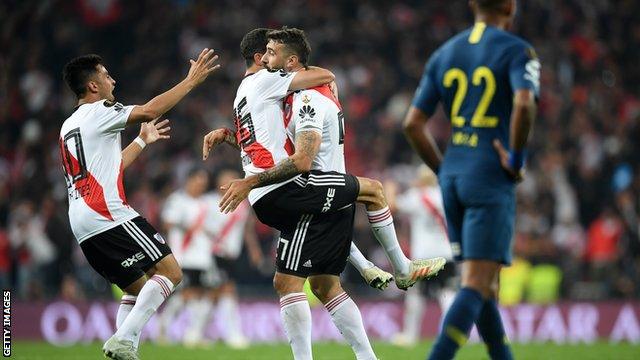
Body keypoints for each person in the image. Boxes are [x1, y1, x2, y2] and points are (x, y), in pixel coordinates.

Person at [60, 49, 219, 360]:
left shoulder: (69, 126)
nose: (112, 80)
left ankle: (125, 348)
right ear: (93, 86)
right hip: (108, 213)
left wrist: (142, 141)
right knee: (171, 272)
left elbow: (109, 168)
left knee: (135, 289)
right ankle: (124, 339)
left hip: (81, 221)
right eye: (106, 75)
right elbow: (148, 110)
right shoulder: (101, 111)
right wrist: (190, 81)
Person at [403, 0, 540, 358]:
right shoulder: (517, 51)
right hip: (489, 176)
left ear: (472, 5)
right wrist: (516, 158)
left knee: (484, 287)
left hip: (454, 177)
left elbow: (412, 124)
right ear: (509, 7)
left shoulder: (445, 53)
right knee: (477, 283)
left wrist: (443, 170)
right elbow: (524, 104)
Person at [389, 166, 457, 346]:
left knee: (416, 295)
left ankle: (410, 336)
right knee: (448, 293)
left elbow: (392, 205)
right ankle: (452, 334)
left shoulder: (416, 196)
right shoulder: (443, 196)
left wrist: (390, 187)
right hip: (445, 253)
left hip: (424, 256)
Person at [158, 167, 215, 347]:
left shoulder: (206, 203)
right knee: (188, 294)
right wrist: (187, 225)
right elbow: (167, 223)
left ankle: (177, 331)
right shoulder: (178, 200)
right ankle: (186, 334)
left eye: (204, 183)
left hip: (202, 258)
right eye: (198, 181)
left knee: (198, 294)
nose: (201, 185)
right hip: (183, 256)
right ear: (189, 180)